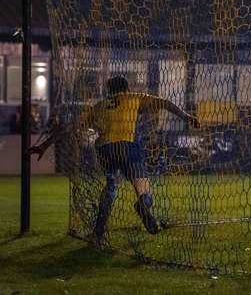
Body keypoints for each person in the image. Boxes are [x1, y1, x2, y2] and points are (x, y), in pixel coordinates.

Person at [29, 76, 199, 241]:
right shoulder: (134, 97)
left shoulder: (99, 106)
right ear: (127, 89)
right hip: (126, 146)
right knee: (143, 188)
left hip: (104, 149)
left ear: (109, 91)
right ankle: (142, 205)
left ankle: (98, 231)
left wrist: (44, 145)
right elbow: (165, 103)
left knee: (111, 186)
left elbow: (70, 126)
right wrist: (187, 117)